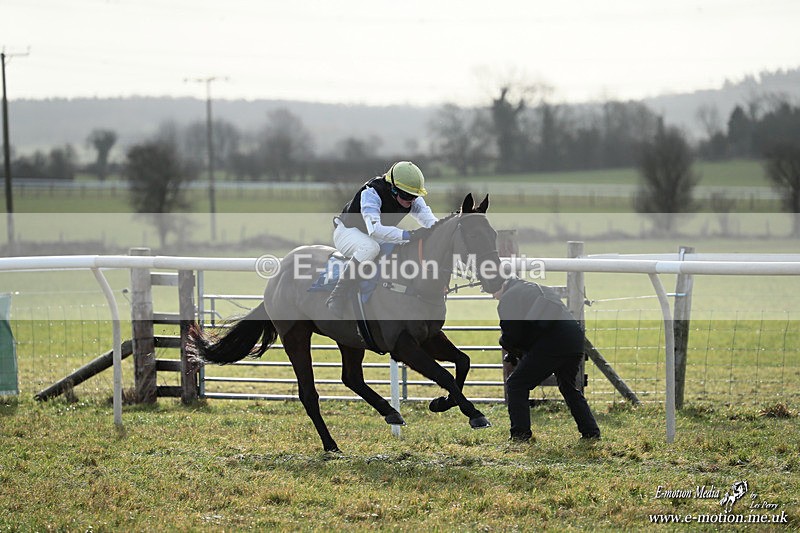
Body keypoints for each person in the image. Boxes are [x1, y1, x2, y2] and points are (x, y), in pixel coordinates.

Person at [493, 276, 601, 442]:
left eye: (492, 292)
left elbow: (512, 335)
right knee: (568, 387)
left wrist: (507, 344)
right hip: (574, 340)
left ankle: (520, 435)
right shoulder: (535, 288)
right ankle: (591, 432)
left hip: (553, 344)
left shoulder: (509, 297)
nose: (493, 296)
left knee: (516, 384)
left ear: (501, 285)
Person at [326, 161, 438, 317]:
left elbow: (432, 222)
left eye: (415, 196)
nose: (411, 201)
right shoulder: (371, 193)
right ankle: (337, 295)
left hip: (376, 235)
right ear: (393, 188)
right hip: (348, 232)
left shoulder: (411, 197)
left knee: (403, 247)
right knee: (370, 248)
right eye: (406, 196)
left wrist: (445, 229)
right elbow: (375, 230)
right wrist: (410, 235)